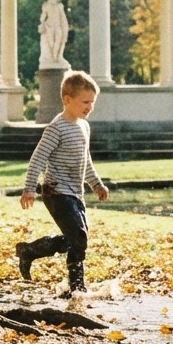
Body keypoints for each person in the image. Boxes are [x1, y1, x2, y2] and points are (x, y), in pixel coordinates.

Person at [14, 70, 110, 301]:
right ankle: (77, 287)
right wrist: (29, 188)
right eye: (85, 102)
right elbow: (37, 158)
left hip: (76, 193)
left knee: (74, 238)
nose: (90, 107)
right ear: (67, 100)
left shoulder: (84, 127)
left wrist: (96, 184)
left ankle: (28, 251)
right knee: (79, 236)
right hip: (56, 191)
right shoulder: (56, 128)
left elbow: (85, 161)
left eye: (92, 102)